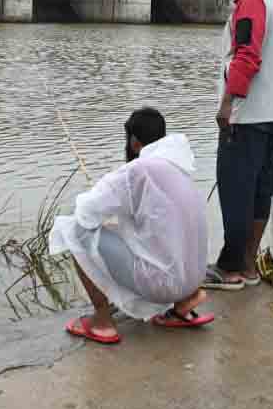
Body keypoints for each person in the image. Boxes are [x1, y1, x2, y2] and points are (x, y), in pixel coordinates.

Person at [49, 107, 213, 345]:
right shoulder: (180, 165)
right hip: (194, 279)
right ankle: (185, 302)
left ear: (135, 142)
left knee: (73, 230)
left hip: (164, 286)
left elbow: (86, 212)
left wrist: (106, 213)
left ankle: (102, 322)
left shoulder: (137, 170)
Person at [203, 0, 273, 290]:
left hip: (248, 114)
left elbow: (247, 55)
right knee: (259, 190)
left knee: (236, 190)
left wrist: (228, 103)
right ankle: (248, 264)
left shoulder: (253, 1)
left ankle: (229, 269)